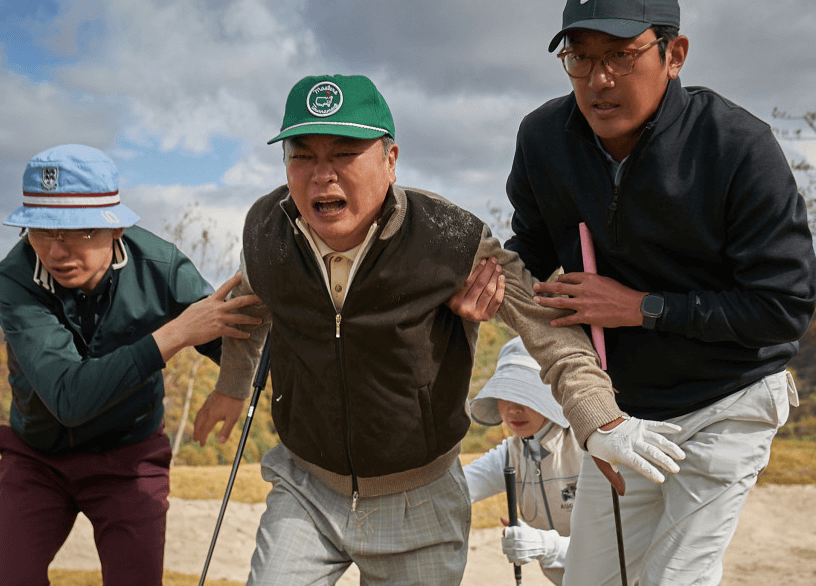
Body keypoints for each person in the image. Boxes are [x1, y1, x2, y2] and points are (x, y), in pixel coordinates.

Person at [191, 73, 663, 586]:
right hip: (305, 486)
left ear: (390, 160)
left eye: (345, 153)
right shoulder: (267, 227)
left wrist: (599, 420)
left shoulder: (451, 238)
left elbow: (548, 332)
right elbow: (250, 302)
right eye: (301, 155)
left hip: (422, 501)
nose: (320, 176)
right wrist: (232, 388)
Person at [498, 1, 816, 584]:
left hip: (730, 400)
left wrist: (641, 308)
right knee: (592, 578)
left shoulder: (738, 146)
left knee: (676, 579)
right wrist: (485, 286)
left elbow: (784, 307)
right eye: (580, 57)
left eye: (621, 54)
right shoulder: (544, 138)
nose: (598, 80)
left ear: (674, 55)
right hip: (625, 411)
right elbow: (533, 251)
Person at [0, 144, 261, 586]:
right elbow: (69, 396)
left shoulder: (160, 266)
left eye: (78, 232)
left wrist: (236, 386)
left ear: (115, 225)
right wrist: (173, 334)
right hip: (36, 458)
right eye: (40, 230)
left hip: (128, 457)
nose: (56, 251)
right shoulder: (15, 278)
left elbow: (230, 335)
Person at [464, 336, 582, 586]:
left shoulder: (588, 447)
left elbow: (618, 544)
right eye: (507, 394)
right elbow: (457, 488)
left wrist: (545, 545)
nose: (515, 409)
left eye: (526, 395)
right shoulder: (512, 452)